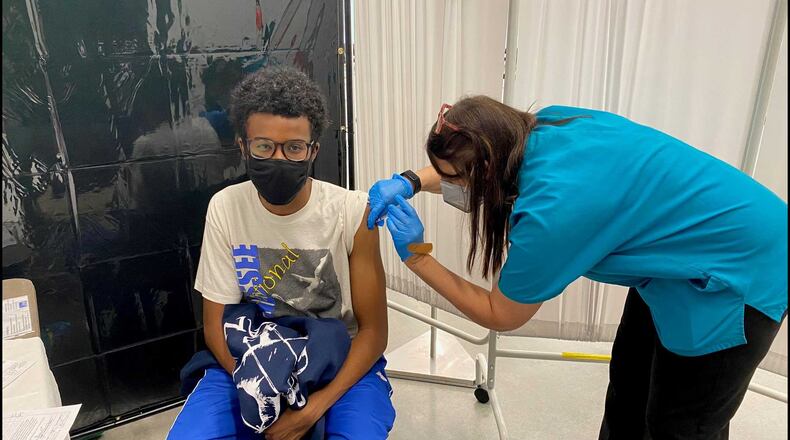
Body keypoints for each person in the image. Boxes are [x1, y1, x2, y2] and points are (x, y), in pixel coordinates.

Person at [368, 96, 787, 439]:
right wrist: (411, 180)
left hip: (743, 271)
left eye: (455, 181)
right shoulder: (545, 125)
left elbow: (501, 314)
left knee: (681, 425)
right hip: (679, 260)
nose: (454, 188)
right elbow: (470, 164)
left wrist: (417, 258)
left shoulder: (553, 214)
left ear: (487, 173)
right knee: (629, 388)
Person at [169, 66, 395, 440]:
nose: (277, 159)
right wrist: (255, 389)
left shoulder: (353, 212)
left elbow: (372, 332)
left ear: (313, 151)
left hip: (342, 359)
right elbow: (215, 325)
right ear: (242, 146)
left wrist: (313, 410)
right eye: (263, 146)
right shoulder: (226, 207)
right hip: (252, 355)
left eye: (293, 148)